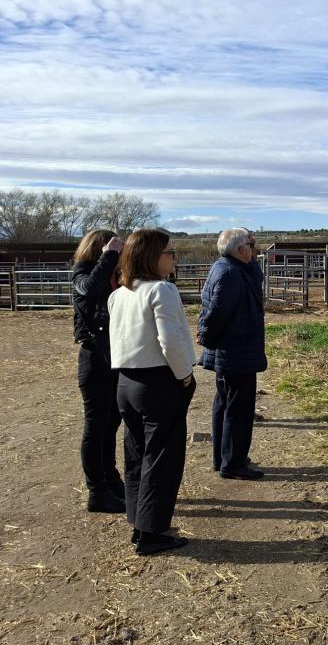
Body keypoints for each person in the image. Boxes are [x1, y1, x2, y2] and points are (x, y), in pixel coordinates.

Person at [109, 229, 197, 556]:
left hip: (127, 383)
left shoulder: (119, 294)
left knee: (136, 455)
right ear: (151, 256)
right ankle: (152, 533)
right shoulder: (162, 290)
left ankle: (139, 521)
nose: (175, 258)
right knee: (163, 458)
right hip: (160, 382)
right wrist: (185, 375)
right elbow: (170, 341)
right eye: (170, 253)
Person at [198, 228, 267, 480]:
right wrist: (206, 337)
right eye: (250, 245)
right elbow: (215, 314)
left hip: (233, 351)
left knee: (226, 405)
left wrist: (253, 249)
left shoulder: (232, 267)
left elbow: (255, 275)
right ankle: (233, 463)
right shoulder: (230, 274)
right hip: (235, 351)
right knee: (237, 409)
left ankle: (225, 457)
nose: (253, 248)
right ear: (240, 250)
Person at [72, 229, 125, 513]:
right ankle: (97, 492)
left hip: (114, 357)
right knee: (95, 427)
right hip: (94, 359)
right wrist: (109, 257)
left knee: (111, 423)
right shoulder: (82, 272)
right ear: (100, 250)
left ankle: (110, 478)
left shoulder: (114, 275)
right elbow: (88, 290)